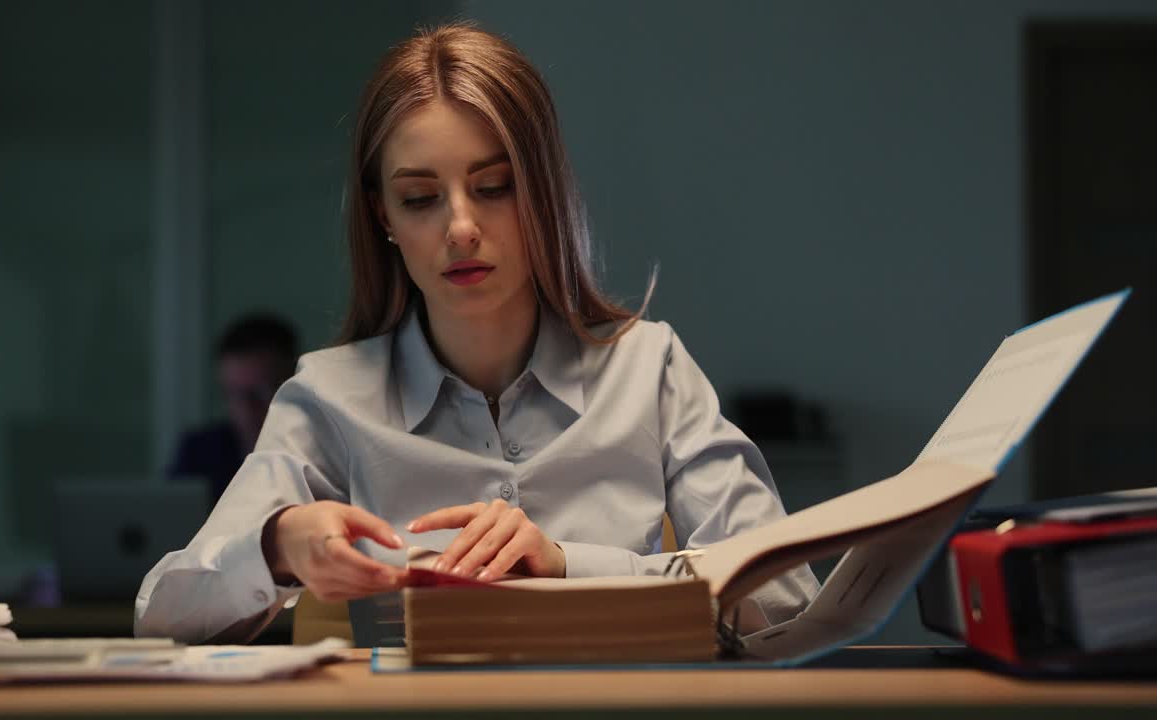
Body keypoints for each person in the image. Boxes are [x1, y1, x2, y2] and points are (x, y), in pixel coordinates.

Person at [136, 22, 818, 646]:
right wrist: (277, 545)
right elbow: (161, 614)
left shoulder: (650, 367)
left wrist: (567, 564)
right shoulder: (327, 398)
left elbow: (790, 603)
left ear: (542, 193)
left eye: (493, 186)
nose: (461, 227)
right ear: (384, 218)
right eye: (421, 198)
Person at [169, 314, 300, 506]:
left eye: (259, 392)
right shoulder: (199, 452)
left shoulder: (317, 453)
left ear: (293, 385)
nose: (245, 408)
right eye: (233, 394)